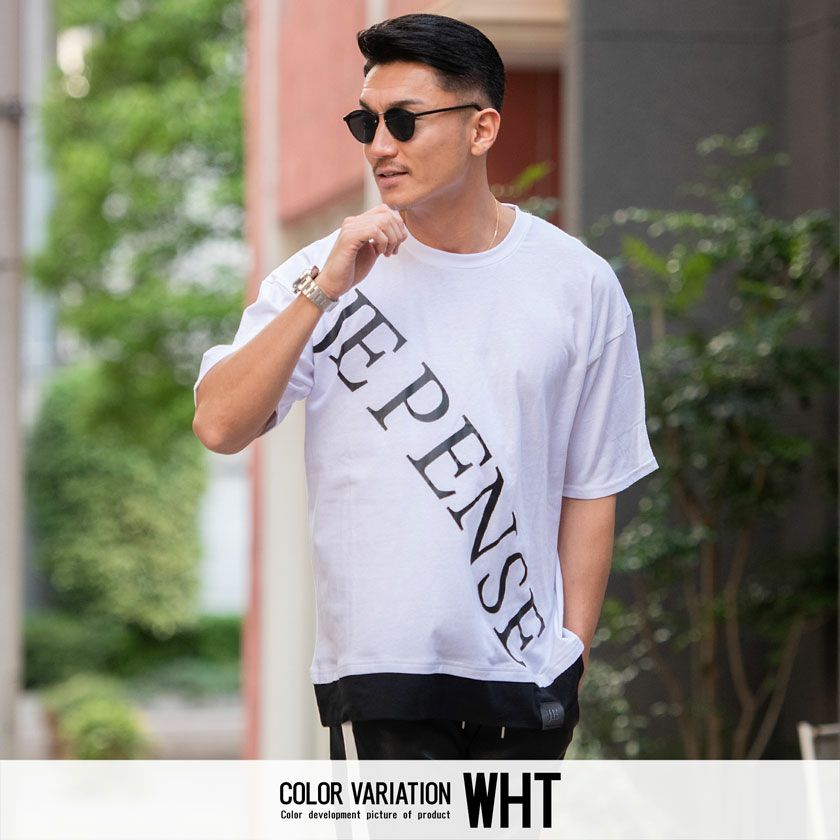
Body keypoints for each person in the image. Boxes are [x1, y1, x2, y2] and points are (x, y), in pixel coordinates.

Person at [192, 13, 659, 761]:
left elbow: (592, 485)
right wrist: (322, 294)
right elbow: (219, 424)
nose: (381, 146)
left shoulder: (578, 284)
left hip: (525, 680)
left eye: (404, 121)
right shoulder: (322, 274)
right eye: (366, 123)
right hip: (382, 674)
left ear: (481, 129)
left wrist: (572, 652)